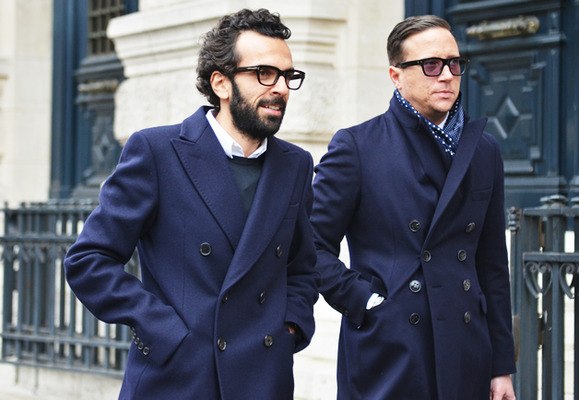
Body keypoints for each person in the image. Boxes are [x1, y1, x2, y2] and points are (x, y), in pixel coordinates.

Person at [64, 8, 318, 400]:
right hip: (179, 379)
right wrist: (161, 329)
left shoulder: (295, 164)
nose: (281, 88)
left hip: (262, 380)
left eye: (288, 76)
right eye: (265, 73)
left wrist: (291, 327)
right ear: (221, 83)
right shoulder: (157, 151)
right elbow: (88, 261)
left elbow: (302, 267)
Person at [311, 15, 516, 400]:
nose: (447, 76)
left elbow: (491, 264)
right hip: (390, 350)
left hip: (466, 348)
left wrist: (501, 366)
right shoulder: (357, 147)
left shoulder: (484, 150)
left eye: (454, 64)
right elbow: (311, 246)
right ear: (396, 75)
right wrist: (364, 301)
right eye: (431, 65)